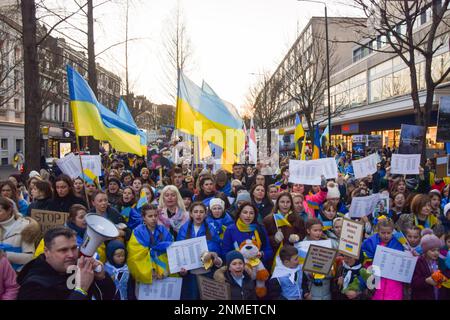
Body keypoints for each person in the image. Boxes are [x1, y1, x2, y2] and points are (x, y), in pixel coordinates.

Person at [16, 227, 115, 300]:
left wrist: (102, 278)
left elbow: (109, 295)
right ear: (47, 252)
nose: (71, 255)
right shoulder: (33, 286)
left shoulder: (78, 268)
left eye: (74, 248)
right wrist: (80, 290)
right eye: (63, 250)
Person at [177, 202, 223, 300]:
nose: (198, 214)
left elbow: (216, 248)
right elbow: (179, 250)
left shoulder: (211, 228)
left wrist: (214, 256)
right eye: (196, 211)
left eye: (201, 212)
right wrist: (182, 270)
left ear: (205, 214)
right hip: (190, 274)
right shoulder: (184, 229)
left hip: (207, 272)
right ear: (191, 214)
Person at [127, 204, 173, 286]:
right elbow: (135, 255)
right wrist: (150, 270)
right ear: (144, 217)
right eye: (150, 216)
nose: (153, 218)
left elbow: (171, 250)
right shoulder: (137, 232)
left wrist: (164, 271)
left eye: (155, 215)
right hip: (145, 274)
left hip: (164, 273)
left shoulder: (163, 230)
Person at [362, 217, 404, 300]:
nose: (386, 235)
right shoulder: (370, 243)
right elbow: (366, 263)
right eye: (383, 233)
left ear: (392, 231)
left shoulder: (399, 244)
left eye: (389, 233)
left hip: (393, 284)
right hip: (376, 281)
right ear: (378, 231)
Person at [222, 202, 273, 267]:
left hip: (258, 266)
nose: (248, 216)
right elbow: (225, 252)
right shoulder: (230, 229)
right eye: (245, 212)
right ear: (239, 214)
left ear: (255, 215)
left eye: (251, 213)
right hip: (238, 267)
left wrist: (262, 254)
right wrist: (237, 257)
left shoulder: (260, 229)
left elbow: (269, 250)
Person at [0, 197, 40, 271]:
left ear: (9, 210)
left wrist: (5, 255)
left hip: (17, 274)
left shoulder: (24, 228)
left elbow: (29, 257)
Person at [263, 192, 305, 256]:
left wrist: (298, 237)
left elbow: (303, 233)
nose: (285, 205)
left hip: (293, 254)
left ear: (291, 204)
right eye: (282, 202)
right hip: (275, 254)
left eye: (288, 202)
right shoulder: (268, 219)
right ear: (278, 203)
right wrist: (274, 239)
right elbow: (264, 238)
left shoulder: (298, 219)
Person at [411, 230, 450, 300]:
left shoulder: (439, 262)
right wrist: (426, 281)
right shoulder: (419, 262)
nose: (436, 253)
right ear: (425, 251)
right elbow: (414, 282)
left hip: (436, 295)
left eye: (438, 250)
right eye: (432, 250)